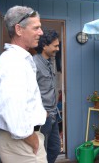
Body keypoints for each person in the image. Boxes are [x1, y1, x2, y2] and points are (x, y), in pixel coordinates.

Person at [0, 6, 47, 163]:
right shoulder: (13, 63)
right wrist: (32, 139)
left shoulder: (18, 60)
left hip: (22, 142)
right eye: (36, 27)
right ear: (19, 30)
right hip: (22, 143)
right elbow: (12, 111)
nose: (41, 32)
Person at [33, 29, 60, 163]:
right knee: (40, 152)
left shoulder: (51, 61)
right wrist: (43, 112)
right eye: (55, 46)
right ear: (44, 45)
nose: (58, 48)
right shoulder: (33, 63)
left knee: (55, 148)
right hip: (43, 117)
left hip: (53, 113)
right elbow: (30, 92)